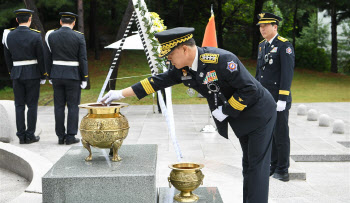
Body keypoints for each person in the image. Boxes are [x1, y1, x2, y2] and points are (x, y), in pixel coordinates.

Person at [101, 27, 277, 203]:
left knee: (256, 167)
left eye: (170, 55)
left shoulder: (222, 60)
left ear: (184, 49)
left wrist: (226, 111)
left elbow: (249, 89)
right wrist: (120, 93)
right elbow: (156, 82)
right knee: (249, 165)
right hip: (241, 118)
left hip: (259, 114)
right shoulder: (183, 69)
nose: (168, 60)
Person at [255, 13, 295, 182]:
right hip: (265, 99)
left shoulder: (284, 45)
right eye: (260, 26)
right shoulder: (262, 46)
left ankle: (283, 169)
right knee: (269, 134)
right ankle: (273, 164)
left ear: (275, 27)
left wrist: (282, 99)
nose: (262, 29)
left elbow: (287, 74)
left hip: (279, 100)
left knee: (280, 134)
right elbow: (259, 74)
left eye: (265, 26)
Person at [2, 9, 47, 144]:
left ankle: (21, 135)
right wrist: (43, 74)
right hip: (32, 73)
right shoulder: (35, 36)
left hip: (17, 73)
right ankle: (30, 135)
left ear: (17, 20)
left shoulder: (9, 36)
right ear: (30, 19)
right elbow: (41, 57)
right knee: (32, 105)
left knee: (19, 105)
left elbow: (7, 57)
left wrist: (12, 71)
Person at [44, 12, 88, 145]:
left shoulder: (51, 36)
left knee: (58, 107)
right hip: (73, 75)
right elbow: (83, 58)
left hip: (57, 74)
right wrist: (85, 77)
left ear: (60, 21)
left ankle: (60, 136)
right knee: (73, 106)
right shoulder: (79, 37)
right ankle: (70, 137)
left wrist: (49, 74)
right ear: (73, 23)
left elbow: (47, 56)